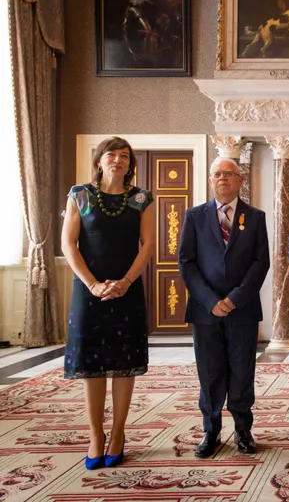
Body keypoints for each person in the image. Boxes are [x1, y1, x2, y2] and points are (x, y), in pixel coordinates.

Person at [62, 137, 154, 470]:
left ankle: (117, 433)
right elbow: (69, 245)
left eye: (124, 156)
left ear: (131, 164)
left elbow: (147, 246)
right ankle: (95, 435)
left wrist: (126, 283)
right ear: (99, 161)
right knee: (93, 365)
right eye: (111, 155)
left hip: (127, 290)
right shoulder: (80, 195)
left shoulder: (141, 198)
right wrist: (93, 285)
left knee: (123, 363)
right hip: (89, 290)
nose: (118, 160)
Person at [178, 158, 270, 458]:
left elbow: (261, 263)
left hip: (241, 309)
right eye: (217, 174)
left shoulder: (255, 217)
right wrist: (211, 300)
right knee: (210, 371)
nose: (222, 179)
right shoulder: (194, 216)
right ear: (210, 179)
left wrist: (234, 299)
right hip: (205, 311)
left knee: (242, 370)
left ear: (240, 179)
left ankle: (243, 430)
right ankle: (211, 430)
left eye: (228, 174)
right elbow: (187, 263)